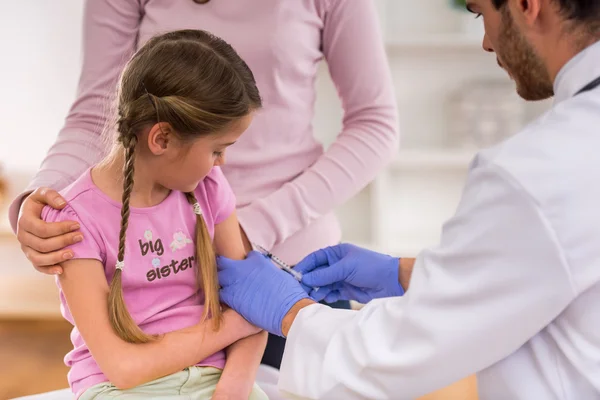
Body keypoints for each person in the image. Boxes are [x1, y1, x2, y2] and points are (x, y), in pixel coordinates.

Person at [215, 0, 600, 398]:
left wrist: (289, 310)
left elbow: (398, 355)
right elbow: (555, 269)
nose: (486, 42)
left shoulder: (534, 175)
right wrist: (405, 275)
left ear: (526, 5)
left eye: (480, 12)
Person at [9, 0, 398, 369]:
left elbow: (375, 125)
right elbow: (100, 110)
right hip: (160, 277)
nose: (220, 166)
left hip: (284, 265)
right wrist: (43, 200)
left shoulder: (217, 191)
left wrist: (248, 229)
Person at [41, 29, 271, 399]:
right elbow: (124, 368)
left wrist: (235, 385)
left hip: (214, 378)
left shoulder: (209, 188)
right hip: (115, 387)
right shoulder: (73, 220)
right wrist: (235, 323)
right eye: (217, 149)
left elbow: (255, 300)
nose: (222, 162)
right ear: (161, 139)